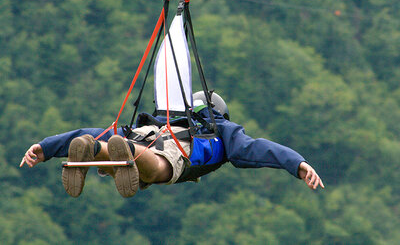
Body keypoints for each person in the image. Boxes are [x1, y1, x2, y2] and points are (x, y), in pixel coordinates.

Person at [20, 92, 324, 198]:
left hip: (144, 134)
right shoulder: (219, 128)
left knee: (110, 145)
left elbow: (96, 129)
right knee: (157, 169)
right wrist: (297, 163)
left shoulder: (159, 118)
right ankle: (125, 151)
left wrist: (46, 147)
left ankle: (93, 151)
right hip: (179, 150)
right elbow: (256, 149)